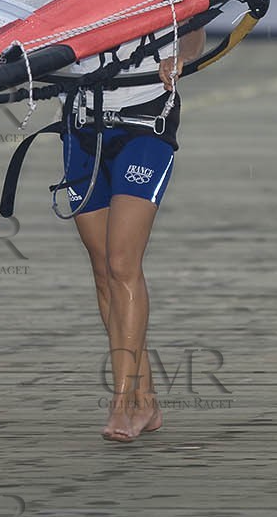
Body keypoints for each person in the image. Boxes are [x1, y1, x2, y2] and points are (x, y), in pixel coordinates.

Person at [60, 27, 204, 442]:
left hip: (144, 122)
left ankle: (123, 403)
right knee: (104, 268)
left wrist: (183, 58)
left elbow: (195, 21)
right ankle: (146, 399)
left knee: (123, 262)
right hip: (80, 123)